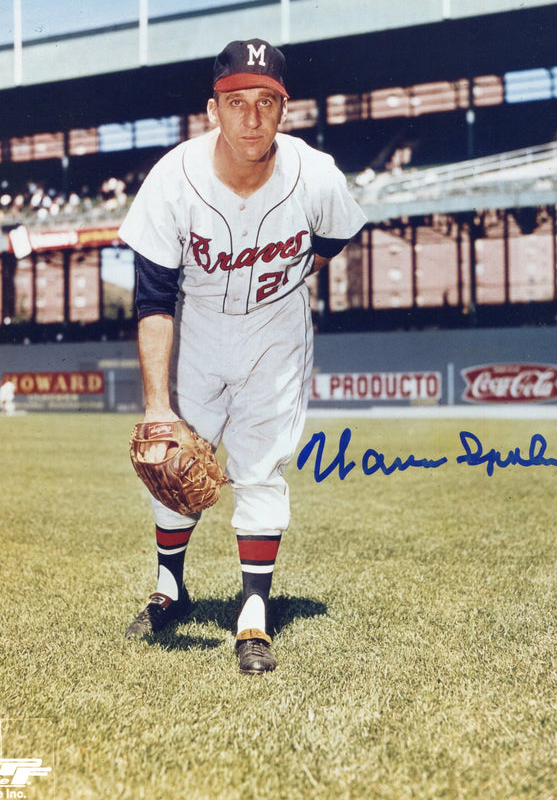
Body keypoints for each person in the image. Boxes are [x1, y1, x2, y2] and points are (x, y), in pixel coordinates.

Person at [118, 38, 366, 674]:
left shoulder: (316, 176)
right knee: (174, 463)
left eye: (266, 102)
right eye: (236, 102)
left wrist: (286, 276)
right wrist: (155, 405)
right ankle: (169, 588)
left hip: (276, 335)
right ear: (212, 110)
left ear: (283, 111)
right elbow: (152, 297)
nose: (251, 117)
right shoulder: (174, 178)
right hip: (197, 330)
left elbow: (336, 235)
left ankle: (253, 612)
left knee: (260, 469)